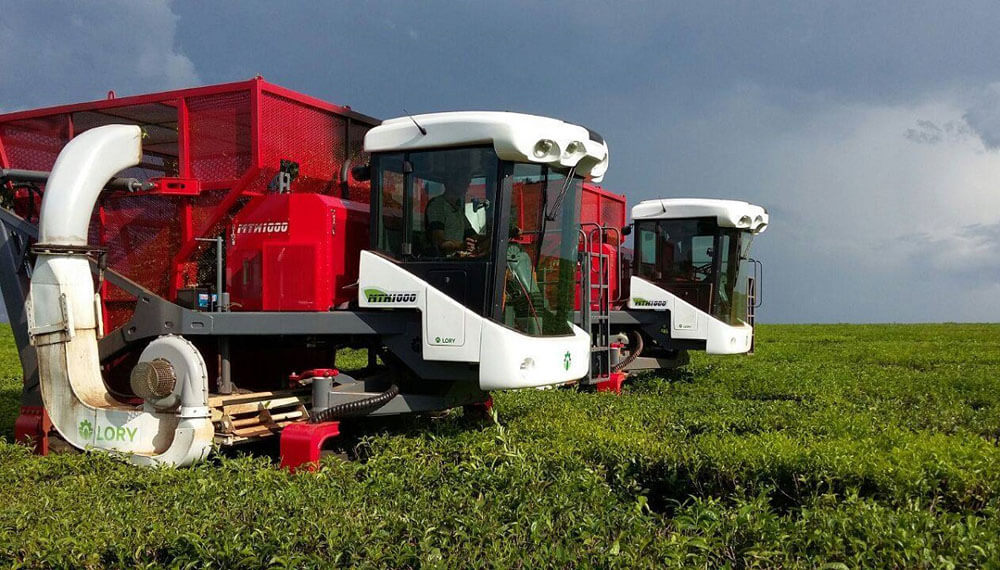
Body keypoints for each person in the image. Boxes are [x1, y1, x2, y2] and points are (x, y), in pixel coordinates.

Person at [425, 173, 482, 257]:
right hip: (442, 262)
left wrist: (492, 237)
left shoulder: (458, 209)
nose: (467, 187)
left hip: (457, 259)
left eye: (467, 183)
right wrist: (461, 246)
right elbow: (438, 242)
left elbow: (472, 235)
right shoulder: (438, 205)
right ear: (451, 183)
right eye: (463, 182)